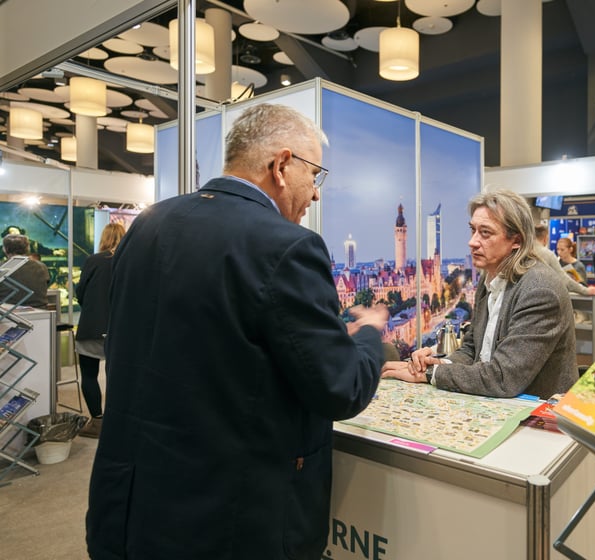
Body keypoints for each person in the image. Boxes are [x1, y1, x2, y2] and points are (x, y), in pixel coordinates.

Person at [85, 104, 389, 560]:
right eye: (315, 175)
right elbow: (341, 388)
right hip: (227, 522)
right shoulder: (287, 246)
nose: (315, 193)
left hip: (130, 509)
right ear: (282, 166)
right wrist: (368, 334)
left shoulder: (147, 226)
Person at [381, 190, 577, 399]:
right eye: (473, 230)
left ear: (516, 240)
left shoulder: (540, 290)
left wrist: (431, 374)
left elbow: (503, 378)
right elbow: (472, 350)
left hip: (536, 413)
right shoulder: (489, 278)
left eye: (485, 233)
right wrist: (437, 363)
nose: (472, 242)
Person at [74, 222, 126, 439]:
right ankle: (119, 420)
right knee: (119, 375)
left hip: (92, 326)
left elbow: (80, 292)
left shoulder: (93, 260)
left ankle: (97, 421)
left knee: (89, 374)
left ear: (104, 238)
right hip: (122, 327)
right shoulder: (130, 260)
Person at [534, 224, 595, 297]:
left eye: (562, 250)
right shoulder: (549, 255)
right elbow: (564, 280)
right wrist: (586, 291)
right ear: (546, 238)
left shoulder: (526, 251)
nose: (559, 252)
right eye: (558, 249)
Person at [0, 233, 50, 308]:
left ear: (4, 249)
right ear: (28, 248)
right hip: (40, 311)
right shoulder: (42, 266)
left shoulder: (2, 267)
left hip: (7, 312)